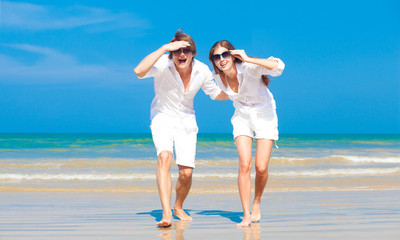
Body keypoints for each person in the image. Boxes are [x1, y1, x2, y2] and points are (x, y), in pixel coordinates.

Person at [134, 30, 227, 227]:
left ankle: (178, 206)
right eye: (177, 51)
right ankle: (166, 213)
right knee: (164, 157)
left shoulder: (201, 70)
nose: (181, 54)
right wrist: (164, 48)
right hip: (162, 117)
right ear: (172, 53)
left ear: (193, 53)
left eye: (186, 50)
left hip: (186, 120)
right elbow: (139, 71)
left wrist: (238, 93)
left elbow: (216, 94)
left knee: (186, 172)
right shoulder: (162, 65)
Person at [208, 40, 285, 227]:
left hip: (265, 116)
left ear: (233, 55)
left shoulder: (249, 68)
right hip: (242, 117)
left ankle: (256, 202)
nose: (221, 59)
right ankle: (246, 214)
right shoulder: (217, 77)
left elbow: (279, 67)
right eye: (216, 57)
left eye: (225, 55)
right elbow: (218, 94)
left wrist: (248, 58)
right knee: (244, 164)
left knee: (261, 168)